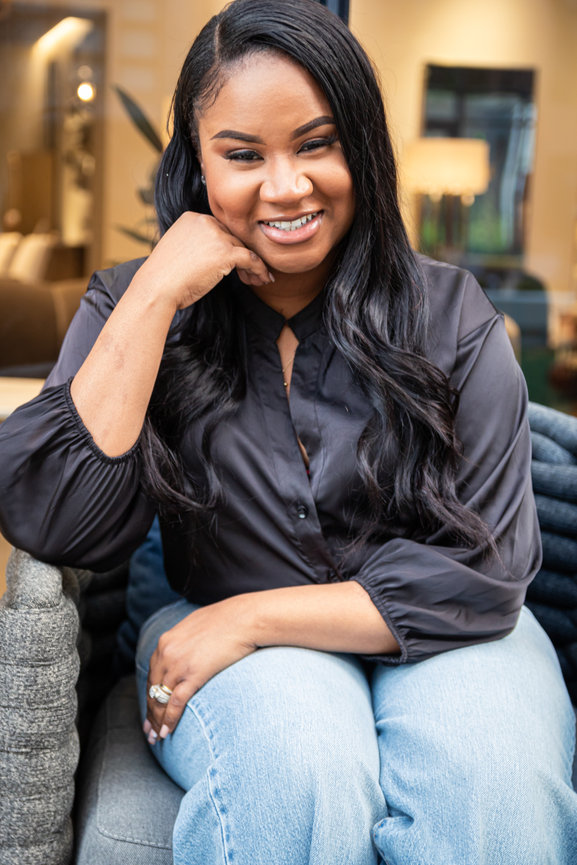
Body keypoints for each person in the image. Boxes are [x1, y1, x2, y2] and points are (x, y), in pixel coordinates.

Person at [0, 1, 575, 862]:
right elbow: (54, 520)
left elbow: (485, 573)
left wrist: (253, 619)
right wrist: (157, 295)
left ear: (363, 150)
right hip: (225, 634)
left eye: (317, 143)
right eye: (242, 155)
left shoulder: (454, 317)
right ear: (198, 166)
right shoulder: (136, 305)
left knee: (490, 781)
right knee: (294, 769)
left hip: (448, 635)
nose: (285, 185)